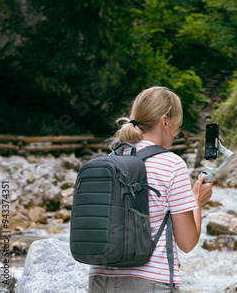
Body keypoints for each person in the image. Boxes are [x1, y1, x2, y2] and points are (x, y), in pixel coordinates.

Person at [88, 86, 213, 293]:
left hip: (99, 280)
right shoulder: (172, 164)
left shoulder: (110, 160)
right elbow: (187, 242)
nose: (177, 131)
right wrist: (196, 201)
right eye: (177, 125)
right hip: (149, 283)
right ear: (165, 121)